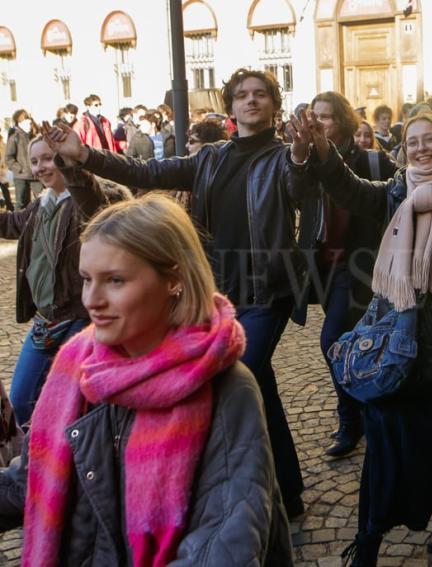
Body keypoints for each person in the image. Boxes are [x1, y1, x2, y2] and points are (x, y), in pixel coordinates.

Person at [44, 67, 311, 518]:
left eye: (260, 94)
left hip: (269, 291)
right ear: (230, 107)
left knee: (234, 375)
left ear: (273, 104)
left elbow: (301, 187)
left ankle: (233, 491)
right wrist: (85, 155)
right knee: (257, 383)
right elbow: (144, 170)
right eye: (242, 94)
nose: (251, 100)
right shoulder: (210, 159)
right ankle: (289, 487)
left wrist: (305, 158)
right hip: (218, 291)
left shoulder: (285, 158)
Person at [0, 194, 293, 566]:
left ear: (174, 279)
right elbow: (29, 481)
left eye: (115, 281)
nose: (92, 299)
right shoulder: (76, 366)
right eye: (87, 279)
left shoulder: (228, 387)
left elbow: (224, 541)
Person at [289, 110, 432, 564]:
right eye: (412, 141)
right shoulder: (397, 190)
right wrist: (321, 149)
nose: (420, 148)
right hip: (396, 337)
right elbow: (349, 188)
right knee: (384, 441)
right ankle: (369, 538)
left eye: (429, 139)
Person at [293, 91, 397, 458]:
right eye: (313, 116)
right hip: (321, 263)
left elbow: (398, 198)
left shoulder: (371, 160)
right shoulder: (306, 159)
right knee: (352, 338)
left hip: (360, 266)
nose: (318, 123)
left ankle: (351, 418)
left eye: (326, 117)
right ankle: (367, 409)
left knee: (333, 339)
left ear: (343, 120)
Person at [0, 136, 129, 428]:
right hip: (46, 320)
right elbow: (10, 224)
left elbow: (96, 211)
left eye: (48, 158)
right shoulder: (40, 205)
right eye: (34, 161)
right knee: (21, 401)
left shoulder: (93, 196)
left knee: (76, 404)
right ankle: (32, 464)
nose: (40, 168)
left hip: (79, 319)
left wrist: (73, 168)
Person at [5, 109, 42, 209]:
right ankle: (19, 224)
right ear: (20, 123)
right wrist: (20, 168)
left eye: (30, 123)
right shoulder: (14, 137)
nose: (30, 125)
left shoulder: (34, 136)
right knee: (21, 204)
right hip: (21, 177)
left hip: (35, 176)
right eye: (27, 123)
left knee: (42, 200)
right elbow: (8, 158)